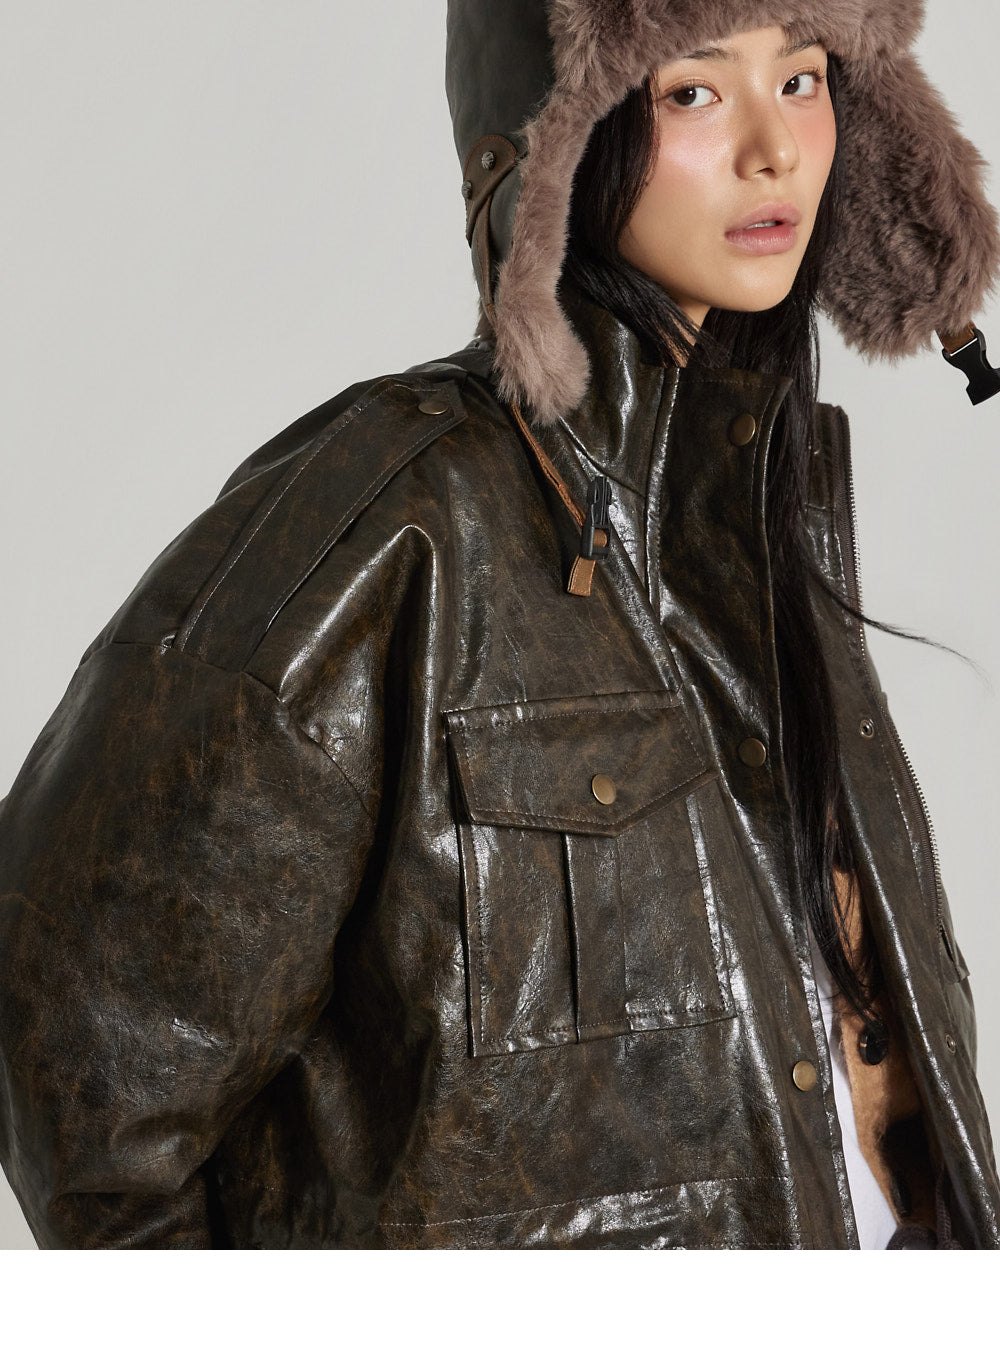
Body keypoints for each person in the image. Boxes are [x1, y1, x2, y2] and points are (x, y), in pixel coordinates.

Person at [0, 0, 998, 1249]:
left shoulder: (757, 511)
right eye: (691, 92)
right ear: (555, 140)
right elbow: (78, 1062)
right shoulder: (392, 517)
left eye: (802, 81)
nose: (774, 150)